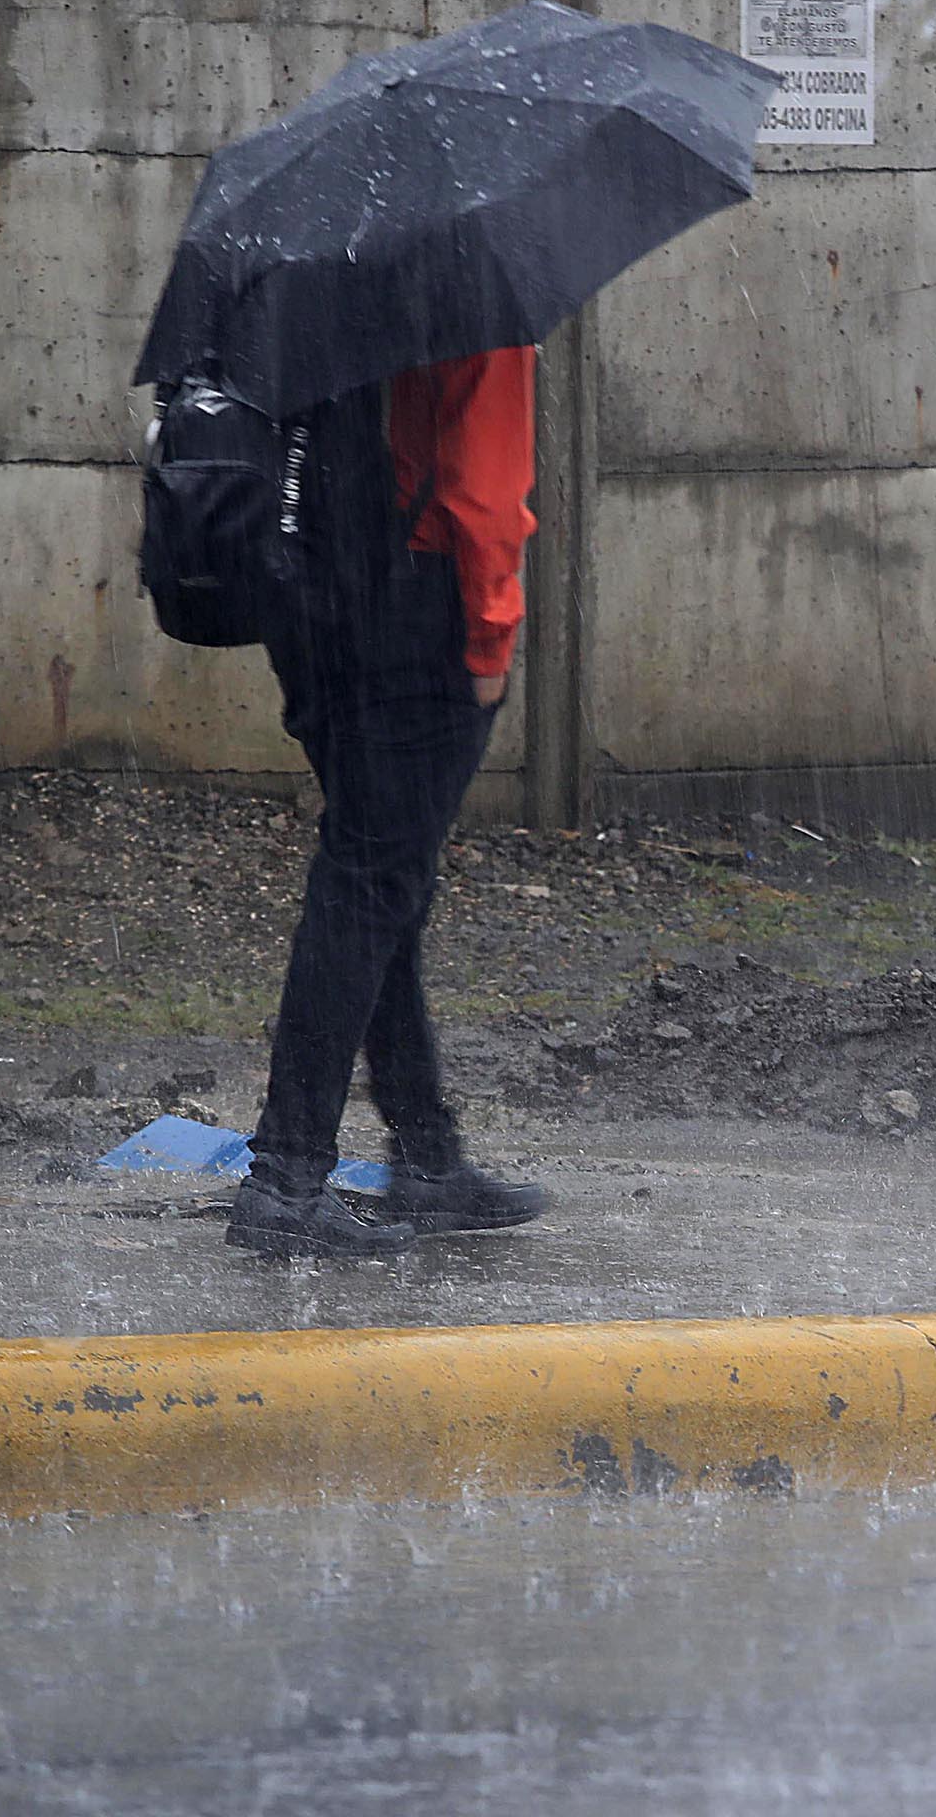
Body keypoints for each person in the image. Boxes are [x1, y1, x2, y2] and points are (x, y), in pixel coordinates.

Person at [227, 348, 555, 1257]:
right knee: (371, 881)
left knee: (380, 880)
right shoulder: (471, 286)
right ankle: (287, 1177)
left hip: (309, 597)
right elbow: (486, 495)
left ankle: (427, 1157)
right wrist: (490, 646)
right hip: (419, 609)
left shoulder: (315, 273)